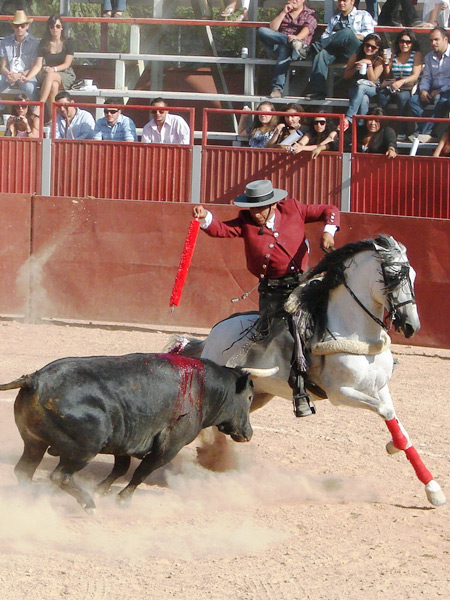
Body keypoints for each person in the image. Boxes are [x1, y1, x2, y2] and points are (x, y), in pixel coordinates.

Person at [192, 179, 340, 418]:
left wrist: (328, 233)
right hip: (272, 291)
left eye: (260, 208)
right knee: (281, 332)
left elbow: (329, 211)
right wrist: (205, 217)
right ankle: (298, 389)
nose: (256, 214)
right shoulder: (246, 222)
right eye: (252, 208)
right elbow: (221, 229)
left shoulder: (293, 209)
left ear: (273, 205)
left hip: (304, 283)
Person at [305, 0, 374, 101]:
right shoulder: (334, 19)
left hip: (355, 51)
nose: (341, 3)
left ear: (352, 1)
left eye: (345, 0)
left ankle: (312, 48)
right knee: (321, 54)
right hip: (336, 51)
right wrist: (337, 37)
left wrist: (350, 36)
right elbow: (325, 36)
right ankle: (318, 91)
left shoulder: (363, 15)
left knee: (346, 32)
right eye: (340, 0)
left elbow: (370, 36)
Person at [257, 0, 317, 98]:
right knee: (262, 31)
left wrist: (297, 38)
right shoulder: (283, 11)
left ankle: (277, 89)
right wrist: (284, 12)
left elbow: (307, 30)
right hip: (280, 46)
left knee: (285, 49)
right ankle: (293, 43)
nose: (294, 0)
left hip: (299, 51)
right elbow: (273, 28)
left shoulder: (310, 14)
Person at [24, 15, 76, 117]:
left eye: (57, 26)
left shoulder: (69, 42)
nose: (55, 29)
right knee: (53, 85)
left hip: (65, 73)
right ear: (49, 28)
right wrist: (27, 77)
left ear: (62, 27)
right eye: (52, 26)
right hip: (47, 74)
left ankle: (40, 105)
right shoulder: (44, 43)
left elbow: (67, 64)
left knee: (51, 76)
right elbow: (38, 65)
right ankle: (54, 119)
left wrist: (53, 69)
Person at [407, 27, 450, 142]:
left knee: (441, 101)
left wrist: (441, 91)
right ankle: (428, 131)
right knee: (413, 101)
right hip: (432, 89)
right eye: (431, 40)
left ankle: (422, 131)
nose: (433, 43)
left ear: (446, 40)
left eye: (436, 40)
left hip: (447, 90)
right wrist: (423, 90)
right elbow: (426, 77)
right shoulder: (429, 57)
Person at [377, 30, 423, 138]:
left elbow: (415, 75)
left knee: (403, 98)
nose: (404, 44)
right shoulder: (394, 54)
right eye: (402, 41)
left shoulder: (417, 54)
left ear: (413, 43)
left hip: (408, 87)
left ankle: (402, 130)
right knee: (382, 95)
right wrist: (386, 63)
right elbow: (388, 76)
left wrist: (402, 81)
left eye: (408, 42)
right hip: (394, 86)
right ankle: (382, 126)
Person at [343, 33, 384, 129]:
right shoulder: (356, 56)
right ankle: (361, 127)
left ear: (377, 49)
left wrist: (369, 65)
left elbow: (373, 80)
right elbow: (345, 75)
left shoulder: (378, 61)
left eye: (373, 47)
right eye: (367, 45)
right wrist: (355, 69)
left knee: (362, 88)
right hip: (356, 89)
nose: (369, 48)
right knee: (364, 99)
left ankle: (348, 118)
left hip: (372, 89)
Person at [0, 10, 39, 99]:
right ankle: (1, 109)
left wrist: (19, 75)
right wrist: (8, 74)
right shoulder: (5, 41)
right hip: (8, 75)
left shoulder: (34, 43)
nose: (19, 28)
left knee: (30, 88)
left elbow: (33, 67)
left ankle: (34, 110)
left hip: (26, 75)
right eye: (17, 25)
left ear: (27, 26)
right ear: (13, 26)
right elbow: (3, 66)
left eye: (22, 25)